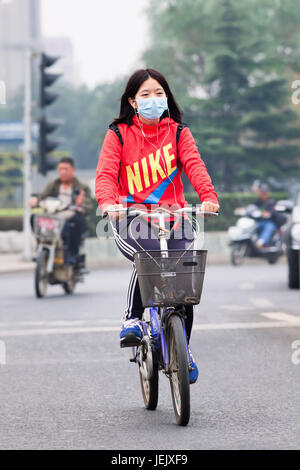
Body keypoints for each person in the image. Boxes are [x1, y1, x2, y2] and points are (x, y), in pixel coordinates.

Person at [95, 68, 219, 384]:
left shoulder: (178, 132)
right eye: (145, 95)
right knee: (149, 259)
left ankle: (183, 348)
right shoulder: (119, 133)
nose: (153, 99)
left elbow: (195, 166)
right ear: (133, 102)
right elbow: (106, 175)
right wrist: (109, 204)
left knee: (183, 282)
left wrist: (208, 197)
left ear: (167, 97)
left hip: (174, 218)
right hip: (131, 219)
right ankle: (133, 318)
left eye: (159, 93)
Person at [29, 157, 92, 264]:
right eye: (60, 169)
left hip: (70, 214)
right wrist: (35, 200)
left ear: (73, 170)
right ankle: (41, 246)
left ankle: (72, 253)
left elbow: (89, 205)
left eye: (66, 169)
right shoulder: (53, 184)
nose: (63, 172)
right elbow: (42, 196)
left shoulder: (82, 186)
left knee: (77, 221)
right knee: (34, 218)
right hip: (53, 214)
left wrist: (80, 203)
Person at [252, 182, 285, 248]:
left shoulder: (272, 202)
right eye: (262, 193)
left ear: (268, 193)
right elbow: (252, 207)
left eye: (265, 193)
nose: (263, 195)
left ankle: (261, 241)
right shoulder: (257, 201)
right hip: (259, 222)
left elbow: (274, 211)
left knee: (268, 227)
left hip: (271, 222)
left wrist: (268, 213)